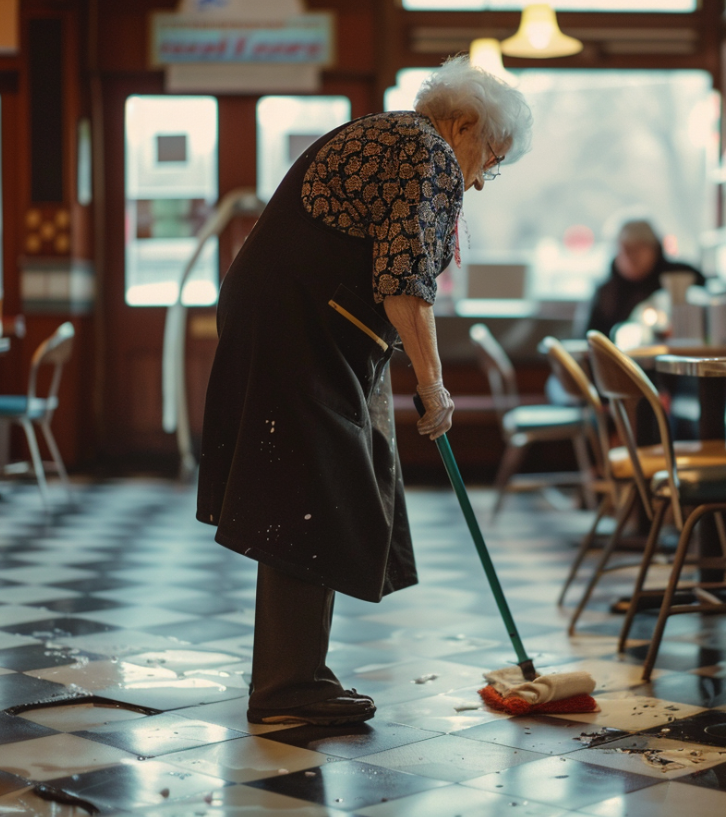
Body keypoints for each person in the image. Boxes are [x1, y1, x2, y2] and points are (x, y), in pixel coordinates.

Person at [196, 56, 532, 726]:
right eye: (490, 157)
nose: (485, 179)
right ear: (462, 124)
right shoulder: (426, 151)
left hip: (293, 323)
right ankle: (286, 687)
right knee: (308, 490)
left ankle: (296, 675)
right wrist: (434, 386)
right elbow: (404, 278)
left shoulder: (396, 138)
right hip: (297, 328)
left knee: (317, 487)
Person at [582, 220, 706, 337]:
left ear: (654, 248)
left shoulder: (681, 275)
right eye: (625, 248)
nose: (630, 256)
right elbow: (590, 338)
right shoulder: (606, 293)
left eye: (638, 248)